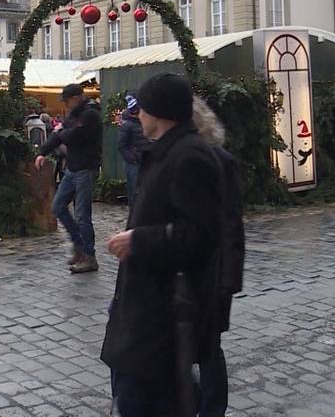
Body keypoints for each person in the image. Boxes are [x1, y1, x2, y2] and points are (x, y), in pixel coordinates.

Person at [101, 73, 245, 417]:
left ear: (160, 112)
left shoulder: (190, 157)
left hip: (162, 315)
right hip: (146, 308)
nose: (138, 116)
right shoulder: (166, 153)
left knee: (148, 400)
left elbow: (201, 235)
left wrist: (139, 240)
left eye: (143, 109)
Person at [35, 83, 103, 274]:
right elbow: (61, 135)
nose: (65, 105)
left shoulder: (90, 115)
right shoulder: (74, 114)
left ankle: (89, 257)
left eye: (66, 101)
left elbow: (73, 136)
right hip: (72, 168)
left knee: (82, 215)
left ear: (75, 98)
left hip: (86, 169)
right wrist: (43, 152)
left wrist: (62, 133)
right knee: (58, 206)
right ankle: (79, 246)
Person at [117, 94, 147, 207]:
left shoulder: (142, 122)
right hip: (134, 163)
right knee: (134, 191)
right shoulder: (127, 125)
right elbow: (121, 145)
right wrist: (132, 158)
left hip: (144, 160)